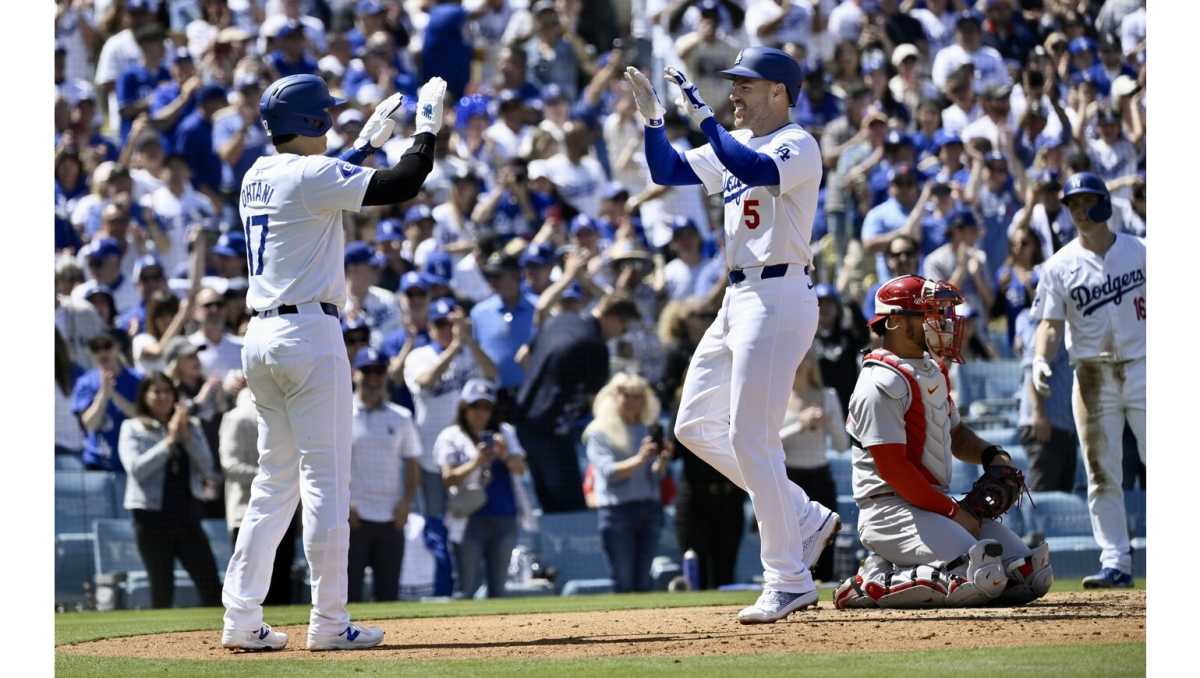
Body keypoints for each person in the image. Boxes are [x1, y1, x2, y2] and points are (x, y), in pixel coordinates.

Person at [221, 73, 448, 652]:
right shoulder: (311, 174)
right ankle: (328, 622)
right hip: (309, 336)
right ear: (314, 121)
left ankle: (242, 617)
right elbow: (404, 183)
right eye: (327, 113)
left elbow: (314, 190)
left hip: (262, 337)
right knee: (325, 482)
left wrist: (364, 146)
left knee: (274, 486)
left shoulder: (257, 173)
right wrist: (426, 128)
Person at [625, 47, 836, 624]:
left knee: (752, 436)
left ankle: (789, 579)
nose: (735, 92)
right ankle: (802, 513)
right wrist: (653, 121)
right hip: (737, 296)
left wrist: (703, 116)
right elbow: (665, 171)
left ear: (780, 92)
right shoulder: (733, 146)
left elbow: (759, 172)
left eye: (747, 84)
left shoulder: (797, 142)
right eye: (733, 84)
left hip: (779, 292)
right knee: (694, 425)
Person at [834, 275, 1053, 609]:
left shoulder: (929, 370)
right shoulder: (879, 383)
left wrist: (991, 454)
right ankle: (870, 583)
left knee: (1030, 575)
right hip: (889, 511)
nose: (940, 321)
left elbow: (956, 435)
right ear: (894, 321)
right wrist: (953, 512)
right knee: (977, 577)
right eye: (927, 314)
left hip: (931, 505)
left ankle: (904, 568)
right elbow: (895, 470)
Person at [1030, 173, 1145, 588]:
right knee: (1101, 470)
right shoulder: (1059, 264)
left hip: (1145, 364)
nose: (1078, 210)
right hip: (1093, 373)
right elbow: (1049, 324)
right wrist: (1042, 359)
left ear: (1103, 203)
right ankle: (1116, 562)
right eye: (1072, 204)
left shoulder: (1141, 251)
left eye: (1084, 201)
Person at [515, 293, 641, 513]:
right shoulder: (596, 347)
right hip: (553, 432)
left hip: (523, 422)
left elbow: (523, 358)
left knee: (546, 503)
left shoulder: (561, 319)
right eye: (624, 327)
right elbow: (598, 403)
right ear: (614, 318)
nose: (621, 333)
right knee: (571, 507)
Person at [117, 372, 223, 609]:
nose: (162, 397)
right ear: (144, 397)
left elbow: (208, 468)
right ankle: (157, 645)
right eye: (156, 391)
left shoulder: (190, 426)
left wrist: (186, 438)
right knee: (162, 586)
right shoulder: (132, 427)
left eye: (167, 391)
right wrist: (168, 441)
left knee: (210, 583)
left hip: (188, 514)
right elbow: (136, 469)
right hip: (151, 515)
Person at [435, 379, 531, 598]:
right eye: (475, 406)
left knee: (499, 588)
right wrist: (476, 462)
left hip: (504, 516)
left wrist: (504, 454)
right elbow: (448, 478)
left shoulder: (505, 432)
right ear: (464, 408)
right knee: (466, 587)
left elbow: (520, 469)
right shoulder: (451, 435)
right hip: (469, 518)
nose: (480, 413)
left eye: (486, 407)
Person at [404, 297, 497, 519]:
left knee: (469, 523)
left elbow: (492, 374)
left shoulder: (471, 353)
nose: (447, 330)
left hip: (469, 452)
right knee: (435, 518)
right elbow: (425, 381)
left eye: (451, 324)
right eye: (441, 324)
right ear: (430, 327)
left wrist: (469, 342)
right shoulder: (420, 355)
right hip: (431, 451)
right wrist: (455, 347)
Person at [584, 373, 672, 593]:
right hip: (617, 510)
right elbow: (608, 473)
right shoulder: (599, 432)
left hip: (649, 508)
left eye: (638, 396)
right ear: (614, 397)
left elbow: (656, 476)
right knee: (623, 579)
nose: (633, 401)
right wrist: (640, 458)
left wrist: (662, 460)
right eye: (627, 395)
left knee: (644, 580)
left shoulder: (647, 429)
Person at [348, 348, 423, 603]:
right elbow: (330, 465)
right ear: (355, 373)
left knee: (389, 594)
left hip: (391, 516)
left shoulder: (401, 417)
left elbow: (412, 463)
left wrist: (406, 502)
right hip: (353, 516)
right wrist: (344, 505)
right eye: (367, 370)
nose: (373, 377)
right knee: (349, 594)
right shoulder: (339, 414)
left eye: (379, 371)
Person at [220, 374, 298, 607]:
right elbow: (230, 466)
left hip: (283, 508)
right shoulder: (237, 416)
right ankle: (245, 625)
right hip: (246, 510)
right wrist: (274, 478)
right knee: (252, 580)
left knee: (280, 579)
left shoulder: (284, 411)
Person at [780, 350, 849, 583]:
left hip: (820, 477)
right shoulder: (777, 398)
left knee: (826, 543)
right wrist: (800, 424)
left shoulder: (827, 396)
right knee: (790, 544)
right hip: (791, 478)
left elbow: (841, 445)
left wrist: (829, 420)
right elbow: (771, 442)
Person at [73, 334, 143, 472]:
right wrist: (103, 395)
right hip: (97, 464)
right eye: (96, 348)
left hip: (133, 461)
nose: (102, 352)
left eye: (107, 346)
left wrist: (114, 396)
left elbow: (142, 416)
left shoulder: (138, 379)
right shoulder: (85, 382)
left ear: (117, 347)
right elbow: (89, 425)